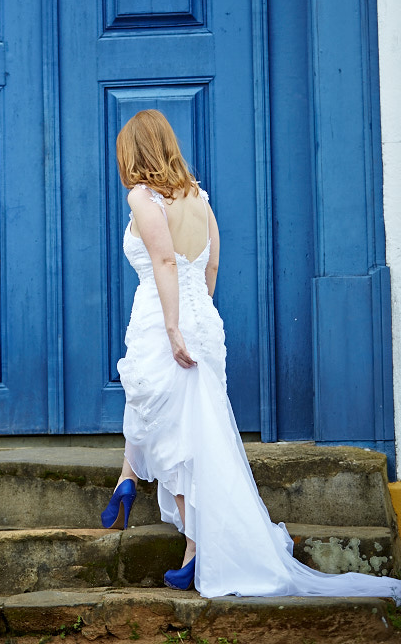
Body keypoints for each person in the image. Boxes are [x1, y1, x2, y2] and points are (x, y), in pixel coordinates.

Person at [100, 108, 401, 601]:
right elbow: (211, 264)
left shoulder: (142, 197)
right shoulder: (199, 197)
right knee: (194, 427)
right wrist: (199, 319)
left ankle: (157, 508)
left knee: (172, 427)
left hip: (163, 317)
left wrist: (175, 328)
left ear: (133, 152)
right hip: (204, 318)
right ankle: (164, 515)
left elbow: (163, 262)